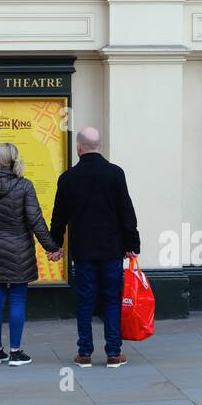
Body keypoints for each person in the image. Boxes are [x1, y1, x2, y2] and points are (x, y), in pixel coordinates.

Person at [48, 127, 140, 368]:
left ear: (79, 148)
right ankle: (113, 353)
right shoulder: (115, 174)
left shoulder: (68, 178)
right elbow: (126, 212)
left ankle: (85, 353)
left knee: (85, 300)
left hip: (83, 250)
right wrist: (132, 244)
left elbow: (59, 217)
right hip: (112, 249)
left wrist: (55, 245)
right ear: (99, 146)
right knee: (111, 299)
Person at [0, 142, 61, 366]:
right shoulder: (24, 186)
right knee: (18, 298)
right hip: (20, 249)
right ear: (15, 159)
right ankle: (15, 352)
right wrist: (52, 247)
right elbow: (36, 221)